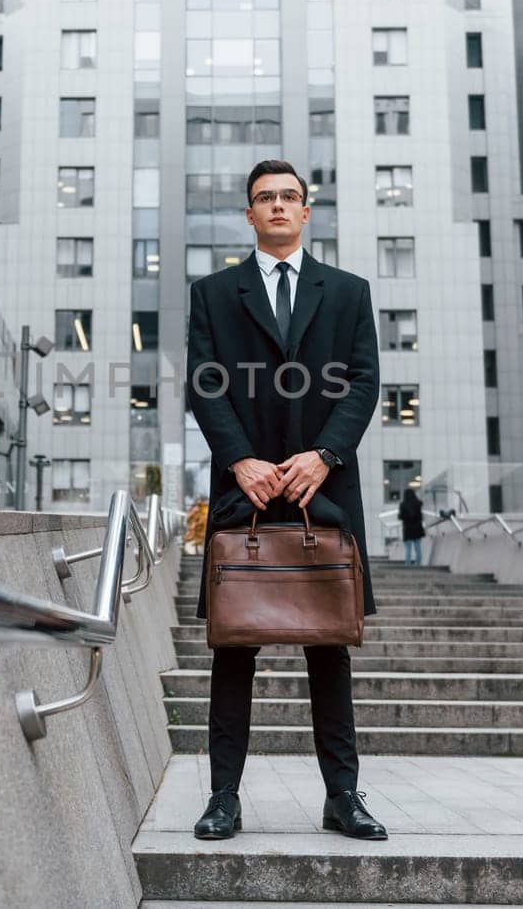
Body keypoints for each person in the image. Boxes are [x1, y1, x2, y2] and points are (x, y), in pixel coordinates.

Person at [185, 159, 388, 842]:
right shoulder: (213, 293)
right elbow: (205, 383)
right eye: (264, 198)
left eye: (288, 197)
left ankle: (343, 795)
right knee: (232, 649)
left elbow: (363, 382)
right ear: (249, 214)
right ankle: (222, 798)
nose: (277, 205)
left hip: (322, 493)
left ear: (307, 211)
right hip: (243, 492)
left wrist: (325, 455)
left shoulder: (349, 292)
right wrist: (241, 458)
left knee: (330, 649)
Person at [398, 487, 425, 565]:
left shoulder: (403, 505)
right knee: (418, 547)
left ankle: (408, 563)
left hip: (407, 529)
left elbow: (401, 517)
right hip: (417, 528)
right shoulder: (418, 503)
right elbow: (420, 517)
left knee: (408, 548)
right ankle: (418, 562)